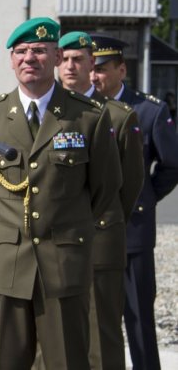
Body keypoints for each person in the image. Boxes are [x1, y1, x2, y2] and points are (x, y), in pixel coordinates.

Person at [0, 17, 121, 369]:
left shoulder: (87, 117)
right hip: (7, 266)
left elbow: (105, 189)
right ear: (11, 59)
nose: (28, 58)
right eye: (20, 52)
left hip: (63, 265)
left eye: (38, 51)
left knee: (68, 361)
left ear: (57, 56)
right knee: (2, 361)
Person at [90, 34, 178, 370]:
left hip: (133, 232)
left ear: (121, 70)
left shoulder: (148, 110)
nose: (95, 76)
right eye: (92, 69)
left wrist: (147, 195)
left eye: (102, 69)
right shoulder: (81, 110)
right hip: (91, 231)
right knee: (92, 318)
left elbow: (172, 163)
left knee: (138, 317)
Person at [58, 31, 144, 369]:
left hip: (100, 237)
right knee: (52, 332)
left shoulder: (119, 116)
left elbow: (127, 187)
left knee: (101, 336)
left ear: (92, 64)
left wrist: (99, 222)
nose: (69, 66)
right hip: (54, 241)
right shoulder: (48, 113)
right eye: (63, 59)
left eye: (77, 59)